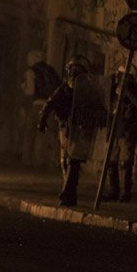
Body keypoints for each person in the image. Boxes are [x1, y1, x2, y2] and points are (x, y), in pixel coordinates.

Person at [37, 55, 90, 206]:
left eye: (78, 71)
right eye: (73, 71)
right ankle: (70, 193)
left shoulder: (87, 91)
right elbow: (49, 104)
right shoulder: (64, 90)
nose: (75, 74)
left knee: (74, 160)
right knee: (65, 161)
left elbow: (97, 107)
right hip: (65, 127)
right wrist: (42, 120)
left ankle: (67, 192)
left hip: (80, 129)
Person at [105, 64, 137, 202]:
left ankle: (126, 192)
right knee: (111, 163)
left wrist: (127, 91)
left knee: (125, 163)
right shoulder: (114, 90)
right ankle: (113, 190)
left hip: (127, 131)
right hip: (114, 130)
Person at [21, 49, 61, 167]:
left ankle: (27, 160)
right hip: (50, 107)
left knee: (30, 133)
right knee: (51, 134)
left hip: (37, 105)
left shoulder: (31, 71)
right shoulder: (51, 71)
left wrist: (23, 87)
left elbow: (30, 91)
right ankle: (59, 159)